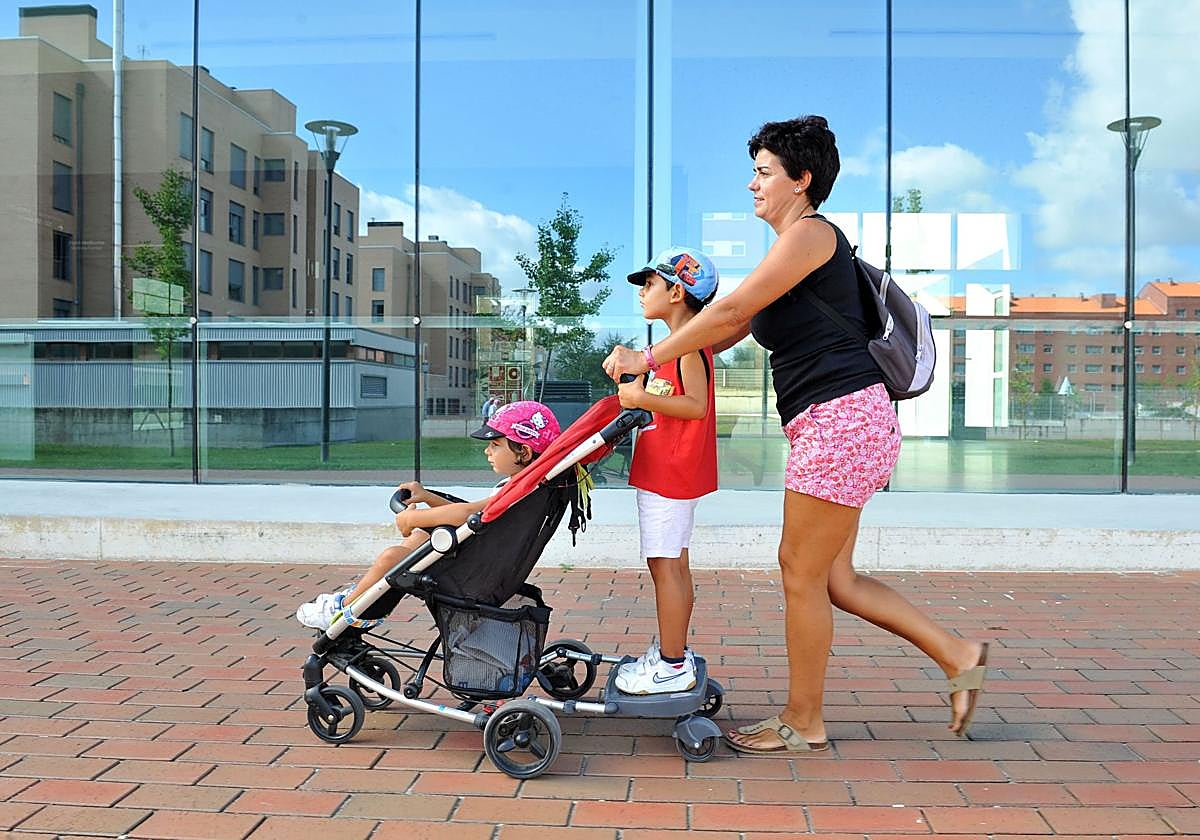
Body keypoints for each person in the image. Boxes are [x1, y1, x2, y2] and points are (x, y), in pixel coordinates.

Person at [603, 115, 988, 753]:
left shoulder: (811, 236)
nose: (751, 183)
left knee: (799, 573)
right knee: (835, 579)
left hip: (842, 421)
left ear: (801, 180)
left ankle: (803, 719)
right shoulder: (789, 254)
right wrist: (656, 351)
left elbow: (726, 309)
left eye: (763, 172)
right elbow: (728, 329)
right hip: (838, 423)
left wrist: (647, 361)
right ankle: (957, 653)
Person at [295, 400, 561, 631]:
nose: (486, 451)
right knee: (419, 540)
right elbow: (477, 515)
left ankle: (344, 612)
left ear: (524, 451)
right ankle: (357, 597)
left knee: (393, 557)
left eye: (494, 444)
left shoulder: (521, 488)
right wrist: (426, 497)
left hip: (473, 578)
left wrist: (412, 518)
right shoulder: (530, 485)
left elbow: (470, 513)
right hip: (485, 564)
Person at [612, 246, 720, 696]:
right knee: (675, 565)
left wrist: (640, 399)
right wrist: (632, 385)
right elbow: (663, 394)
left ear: (677, 292)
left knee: (665, 568)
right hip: (668, 470)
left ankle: (673, 665)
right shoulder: (671, 349)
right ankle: (673, 651)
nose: (642, 293)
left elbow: (695, 406)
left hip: (670, 475)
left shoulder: (689, 345)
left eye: (650, 285)